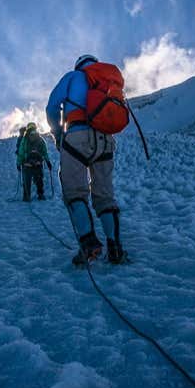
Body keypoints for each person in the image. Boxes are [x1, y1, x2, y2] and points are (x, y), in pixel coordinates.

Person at [46, 54, 127, 265]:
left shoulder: (72, 77)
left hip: (77, 137)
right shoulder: (108, 80)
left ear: (78, 66)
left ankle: (89, 245)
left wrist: (58, 134)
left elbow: (52, 107)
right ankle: (115, 248)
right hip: (105, 140)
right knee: (105, 196)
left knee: (74, 193)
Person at [16, 122, 51, 201]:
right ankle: (40, 194)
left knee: (26, 181)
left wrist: (18, 163)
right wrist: (48, 162)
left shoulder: (24, 139)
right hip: (37, 164)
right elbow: (44, 152)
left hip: (27, 164)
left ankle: (26, 196)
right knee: (39, 180)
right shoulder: (40, 139)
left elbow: (21, 152)